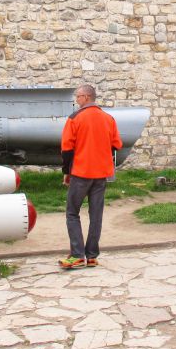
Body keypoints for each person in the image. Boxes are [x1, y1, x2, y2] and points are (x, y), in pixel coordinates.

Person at [59, 83, 122, 270]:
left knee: (72, 213)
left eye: (78, 96)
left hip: (81, 172)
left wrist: (66, 172)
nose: (76, 100)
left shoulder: (74, 118)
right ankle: (92, 256)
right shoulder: (108, 118)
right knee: (96, 215)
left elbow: (67, 149)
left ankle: (77, 255)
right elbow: (116, 145)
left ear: (86, 97)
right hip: (101, 174)